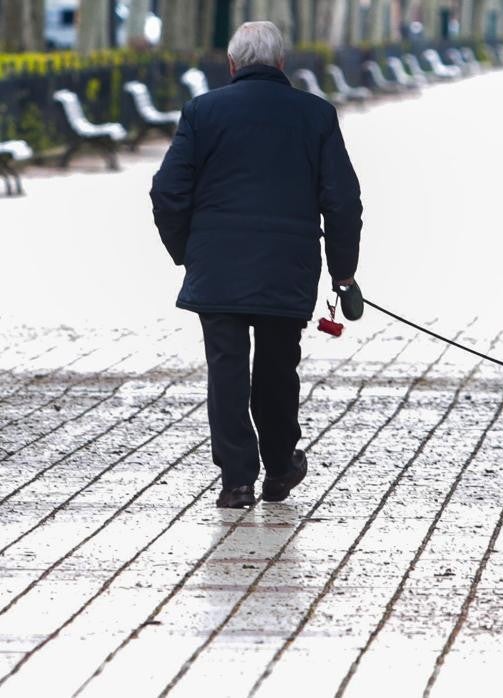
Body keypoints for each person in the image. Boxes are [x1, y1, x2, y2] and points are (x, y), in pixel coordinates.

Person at [151, 21, 363, 508]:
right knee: (276, 368)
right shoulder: (316, 115)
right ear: (282, 64)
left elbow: (167, 191)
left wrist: (187, 248)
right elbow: (344, 200)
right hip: (286, 267)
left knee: (226, 369)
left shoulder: (203, 112)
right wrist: (343, 272)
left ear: (232, 65)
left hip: (218, 267)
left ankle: (237, 480)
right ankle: (281, 465)